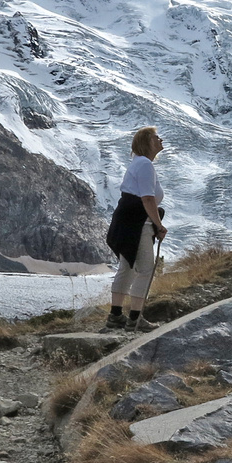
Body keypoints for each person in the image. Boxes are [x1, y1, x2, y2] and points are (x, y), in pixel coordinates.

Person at [103, 126, 167, 332]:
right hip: (138, 223)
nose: (160, 140)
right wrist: (158, 225)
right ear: (147, 141)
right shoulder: (146, 165)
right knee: (146, 269)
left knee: (127, 267)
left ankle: (115, 315)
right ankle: (135, 319)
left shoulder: (137, 164)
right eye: (156, 137)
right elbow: (147, 199)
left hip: (125, 220)